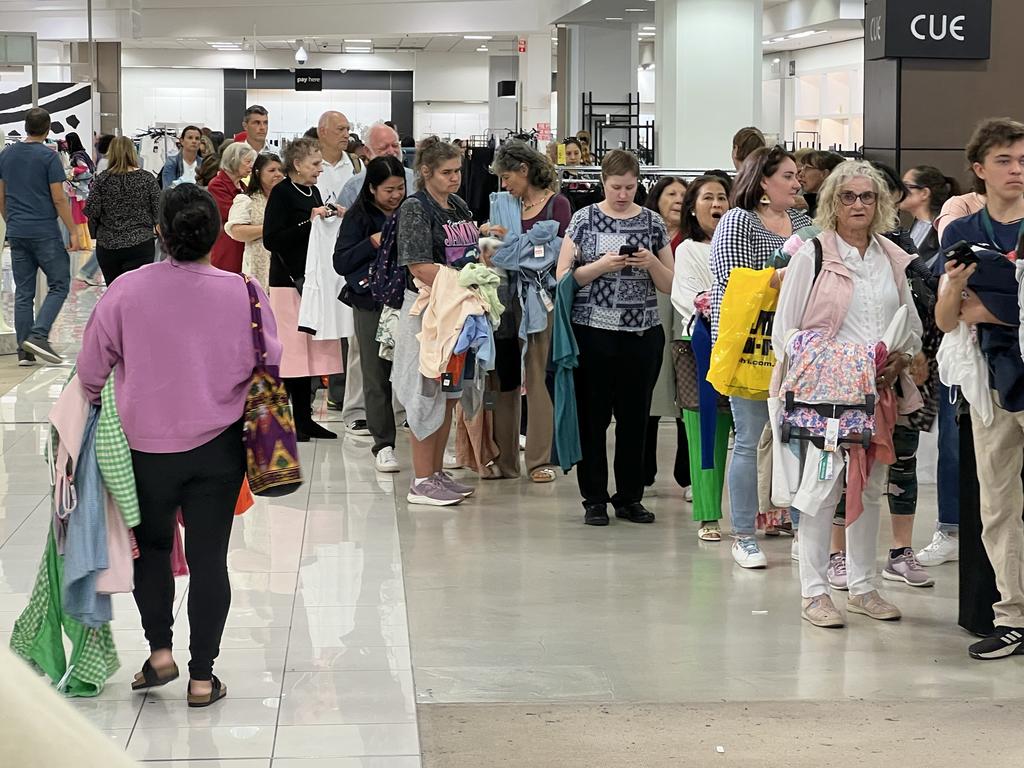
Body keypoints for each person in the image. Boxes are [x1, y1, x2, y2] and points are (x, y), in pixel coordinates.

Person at [77, 183, 282, 707]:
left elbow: (90, 372)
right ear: (216, 235)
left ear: (159, 233)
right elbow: (270, 364)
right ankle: (202, 676)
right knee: (210, 558)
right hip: (219, 449)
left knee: (154, 553)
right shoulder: (245, 293)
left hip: (144, 451)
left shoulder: (125, 290)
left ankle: (160, 653)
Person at [775, 160, 922, 629]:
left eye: (867, 196)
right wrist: (843, 364)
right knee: (822, 488)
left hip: (879, 396)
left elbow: (912, 325)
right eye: (847, 196)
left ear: (879, 204)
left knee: (873, 488)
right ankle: (815, 592)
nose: (858, 204)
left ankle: (862, 587)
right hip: (828, 400)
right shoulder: (812, 256)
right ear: (832, 202)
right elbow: (786, 333)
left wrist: (900, 357)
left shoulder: (889, 258)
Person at [935, 117, 1024, 659]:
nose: (1016, 171)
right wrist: (961, 291)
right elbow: (948, 318)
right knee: (997, 504)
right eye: (1005, 161)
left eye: (1022, 161)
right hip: (990, 382)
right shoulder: (962, 233)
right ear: (979, 169)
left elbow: (985, 312)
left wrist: (986, 308)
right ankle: (1012, 615)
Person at [556, 149, 675, 526]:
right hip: (592, 333)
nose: (623, 194)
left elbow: (671, 284)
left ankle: (629, 497)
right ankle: (593, 497)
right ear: (602, 183)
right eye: (616, 187)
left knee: (635, 418)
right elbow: (563, 278)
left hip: (641, 334)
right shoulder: (583, 220)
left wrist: (651, 263)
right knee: (592, 418)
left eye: (630, 186)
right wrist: (601, 266)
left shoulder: (653, 223)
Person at [710, 145, 812, 568]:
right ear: (764, 182)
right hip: (752, 347)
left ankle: (802, 530)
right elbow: (732, 281)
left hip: (796, 349)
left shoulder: (805, 223)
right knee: (749, 440)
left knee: (800, 442)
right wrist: (781, 275)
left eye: (796, 176)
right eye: (787, 175)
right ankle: (744, 535)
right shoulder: (739, 221)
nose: (796, 182)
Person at [392, 137, 479, 506]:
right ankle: (422, 478)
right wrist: (462, 281)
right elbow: (417, 265)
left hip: (458, 309)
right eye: (447, 172)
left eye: (458, 171)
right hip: (428, 311)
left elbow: (468, 252)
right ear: (426, 172)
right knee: (425, 392)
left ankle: (437, 473)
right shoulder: (415, 208)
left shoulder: (457, 205)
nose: (455, 178)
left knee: (449, 393)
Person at [483, 140, 569, 482]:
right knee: (503, 377)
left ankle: (539, 461)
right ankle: (504, 460)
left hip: (540, 301)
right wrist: (512, 247)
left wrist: (511, 248)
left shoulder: (557, 205)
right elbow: (492, 255)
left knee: (537, 378)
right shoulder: (502, 205)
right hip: (503, 298)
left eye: (508, 177)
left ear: (524, 170)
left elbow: (556, 254)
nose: (505, 186)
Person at [262, 137, 342, 441]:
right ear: (297, 165)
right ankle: (291, 419)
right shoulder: (282, 193)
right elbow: (272, 238)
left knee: (310, 349)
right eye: (315, 164)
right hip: (287, 281)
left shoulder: (313, 191)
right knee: (293, 351)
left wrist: (329, 215)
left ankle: (304, 418)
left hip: (311, 281)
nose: (320, 170)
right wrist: (309, 222)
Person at [334, 155, 407, 473]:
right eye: (388, 190)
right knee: (375, 374)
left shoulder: (411, 212)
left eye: (400, 188)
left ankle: (423, 439)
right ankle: (384, 444)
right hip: (370, 303)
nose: (395, 195)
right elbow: (341, 261)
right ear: (372, 188)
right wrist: (372, 243)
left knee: (414, 372)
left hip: (409, 301)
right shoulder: (358, 217)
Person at [672, 174, 733, 540]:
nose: (716, 205)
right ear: (693, 208)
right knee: (705, 429)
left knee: (750, 433)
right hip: (699, 346)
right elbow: (693, 296)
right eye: (708, 198)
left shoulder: (743, 243)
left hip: (745, 345)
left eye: (722, 197)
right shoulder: (688, 249)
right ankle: (708, 514)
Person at [0, 107, 79, 365]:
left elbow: (1, 195)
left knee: (23, 291)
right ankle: (39, 334)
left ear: (25, 127)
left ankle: (25, 353)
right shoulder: (49, 157)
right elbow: (58, 198)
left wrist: (10, 220)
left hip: (17, 230)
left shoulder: (6, 155)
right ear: (47, 129)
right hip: (44, 230)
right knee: (60, 283)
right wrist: (74, 230)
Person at [315, 110, 368, 434]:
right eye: (339, 128)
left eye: (348, 128)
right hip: (318, 249)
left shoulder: (357, 166)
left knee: (349, 321)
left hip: (351, 249)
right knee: (322, 320)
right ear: (322, 131)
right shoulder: (310, 162)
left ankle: (345, 390)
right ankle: (328, 387)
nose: (345, 133)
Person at [643, 177, 691, 497]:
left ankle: (687, 476)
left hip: (686, 317)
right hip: (652, 315)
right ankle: (643, 471)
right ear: (657, 199)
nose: (677, 199)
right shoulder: (647, 234)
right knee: (649, 393)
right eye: (670, 193)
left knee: (688, 395)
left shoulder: (696, 238)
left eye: (683, 195)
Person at [83, 136, 160, 285]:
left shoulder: (102, 180)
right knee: (136, 293)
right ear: (133, 152)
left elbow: (92, 210)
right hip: (141, 244)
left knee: (114, 291)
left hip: (108, 245)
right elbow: (159, 212)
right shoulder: (147, 179)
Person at [224, 152, 285, 288]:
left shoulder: (287, 199)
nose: (278, 174)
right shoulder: (246, 200)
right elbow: (236, 231)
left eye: (281, 170)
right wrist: (269, 229)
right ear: (258, 173)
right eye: (272, 170)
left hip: (285, 266)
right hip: (257, 265)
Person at [338, 122, 416, 209]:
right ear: (367, 151)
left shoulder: (417, 181)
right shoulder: (353, 188)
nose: (391, 152)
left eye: (395, 146)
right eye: (384, 147)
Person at [207, 142, 257, 273]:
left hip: (241, 242)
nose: (251, 166)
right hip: (227, 245)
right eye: (247, 161)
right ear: (234, 161)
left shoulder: (242, 186)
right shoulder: (217, 185)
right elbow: (231, 214)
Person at [64, 132, 95, 251]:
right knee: (81, 216)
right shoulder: (83, 154)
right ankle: (84, 242)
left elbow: (84, 169)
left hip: (78, 190)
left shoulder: (77, 156)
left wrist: (72, 172)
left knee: (77, 215)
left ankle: (80, 243)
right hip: (83, 190)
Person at [798, 151, 844, 218]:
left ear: (825, 174)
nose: (801, 174)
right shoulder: (808, 203)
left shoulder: (834, 210)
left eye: (807, 168)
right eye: (802, 168)